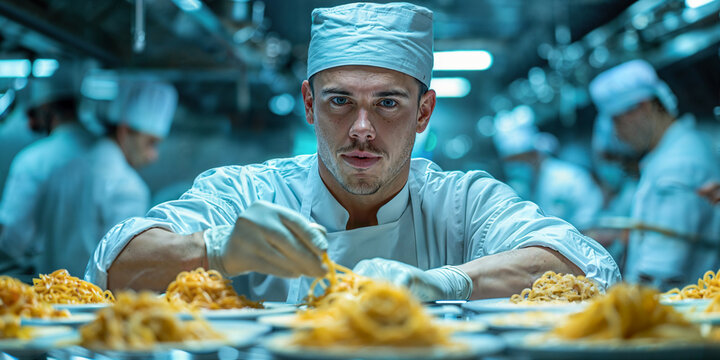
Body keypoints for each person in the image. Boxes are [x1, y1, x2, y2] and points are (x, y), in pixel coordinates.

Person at [87, 2, 619, 302]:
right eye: (341, 101)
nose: (362, 129)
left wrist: (447, 280)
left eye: (388, 104)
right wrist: (219, 251)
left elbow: (589, 268)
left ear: (424, 113)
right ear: (310, 104)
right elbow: (111, 266)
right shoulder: (249, 193)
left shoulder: (462, 203)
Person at [590, 59, 720, 290]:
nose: (618, 135)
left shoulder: (677, 164)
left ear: (643, 107)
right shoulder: (676, 150)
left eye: (617, 122)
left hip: (677, 313)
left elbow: (659, 270)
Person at [34, 80, 177, 276]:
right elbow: (124, 266)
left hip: (46, 293)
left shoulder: (64, 168)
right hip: (91, 301)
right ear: (125, 130)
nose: (154, 156)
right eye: (151, 143)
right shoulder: (128, 187)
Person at [0, 94, 96, 274]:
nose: (29, 125)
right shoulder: (107, 155)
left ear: (46, 108)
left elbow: (13, 242)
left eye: (31, 114)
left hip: (48, 287)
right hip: (100, 291)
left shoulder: (32, 160)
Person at [492, 121, 604, 231]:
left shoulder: (570, 179)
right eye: (510, 162)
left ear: (534, 154)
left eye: (520, 159)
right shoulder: (517, 189)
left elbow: (590, 224)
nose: (515, 167)